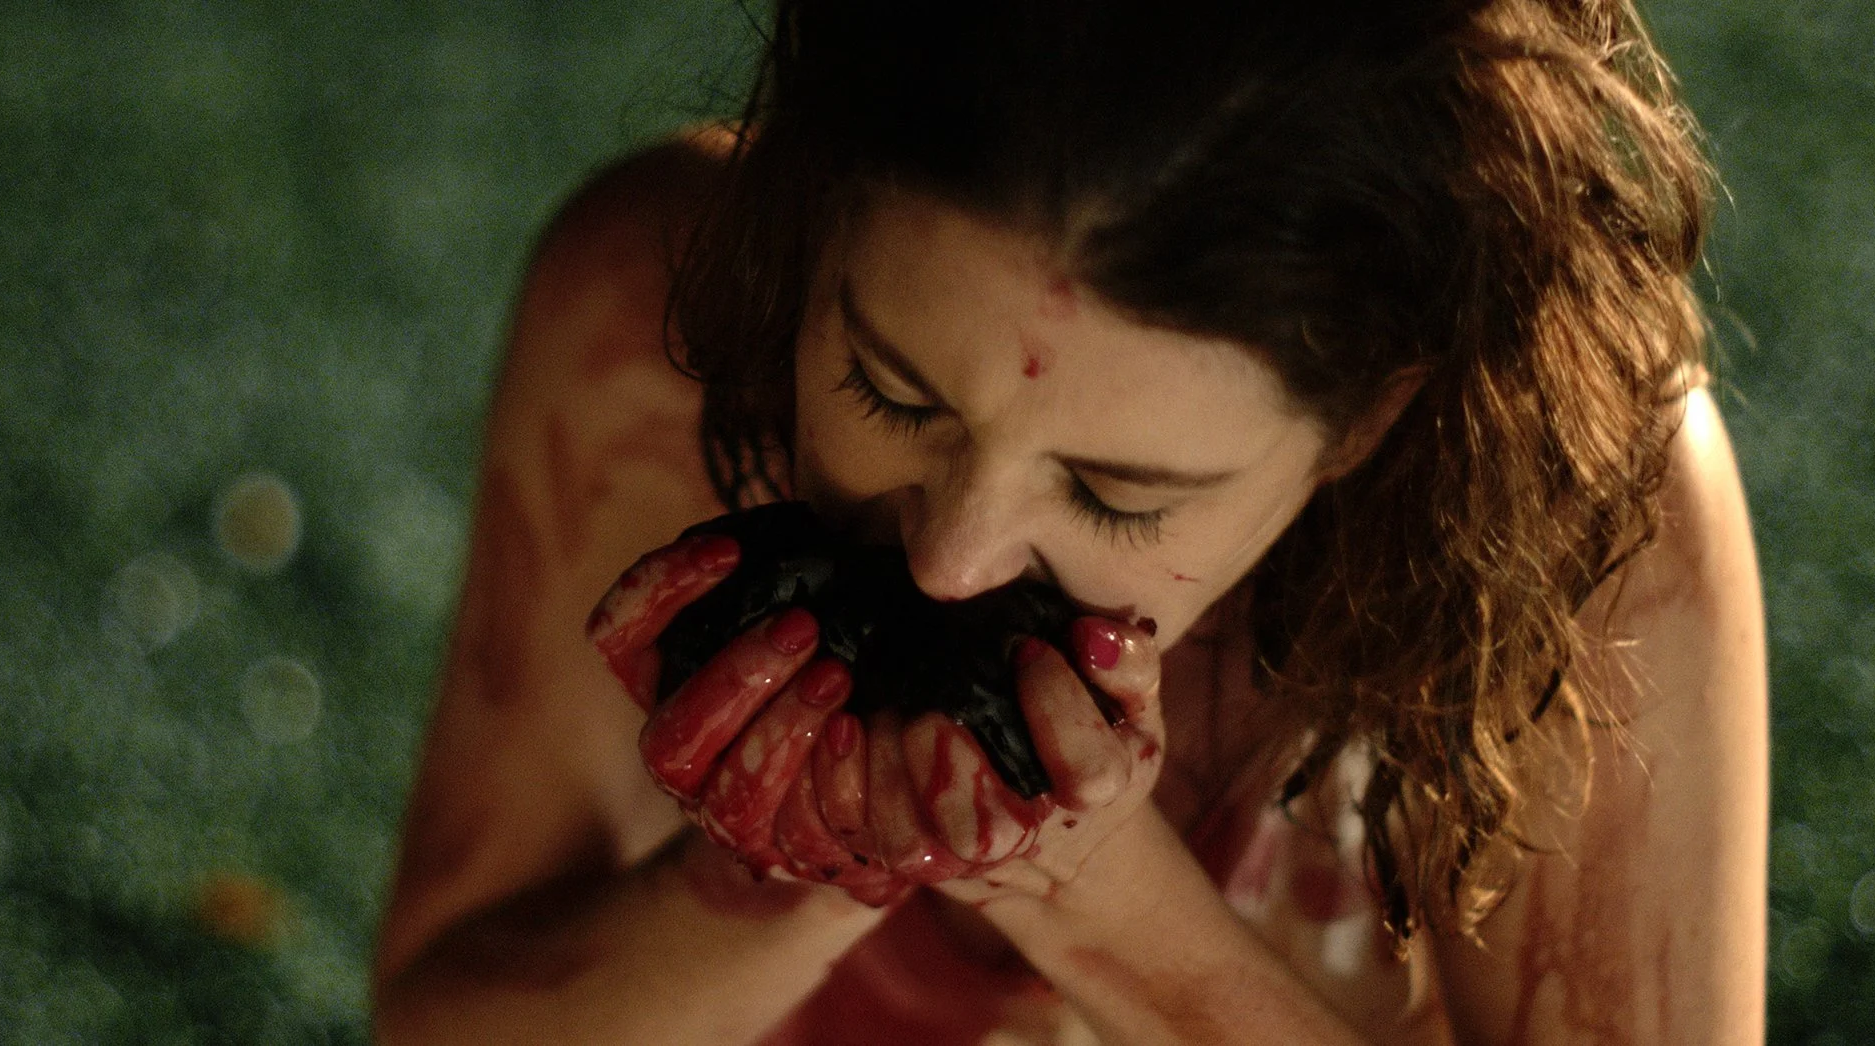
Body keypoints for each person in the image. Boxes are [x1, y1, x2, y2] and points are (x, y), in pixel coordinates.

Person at [372, 0, 1767, 1042]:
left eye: (1115, 494)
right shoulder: (647, 325)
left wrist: (1102, 906)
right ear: (818, 208)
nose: (951, 558)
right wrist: (776, 880)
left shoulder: (1588, 519)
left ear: (1370, 419)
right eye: (886, 388)